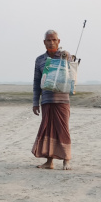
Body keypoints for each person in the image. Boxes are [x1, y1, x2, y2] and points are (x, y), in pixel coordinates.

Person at [32, 30, 73, 170]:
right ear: (44, 42)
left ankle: (66, 159)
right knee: (47, 130)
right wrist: (35, 102)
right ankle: (49, 162)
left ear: (58, 41)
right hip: (46, 100)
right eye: (48, 40)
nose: (51, 42)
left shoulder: (64, 55)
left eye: (54, 40)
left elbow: (73, 71)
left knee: (63, 129)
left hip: (62, 100)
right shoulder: (40, 60)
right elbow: (36, 82)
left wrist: (69, 58)